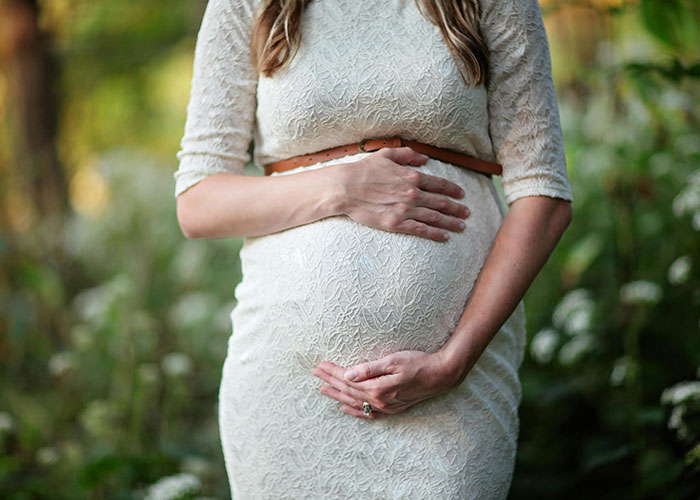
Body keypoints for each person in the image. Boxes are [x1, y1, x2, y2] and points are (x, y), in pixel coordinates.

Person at [173, 0, 573, 497]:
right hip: (286, 389)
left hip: (454, 392)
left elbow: (544, 194)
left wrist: (452, 362)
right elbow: (198, 202)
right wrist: (342, 187)